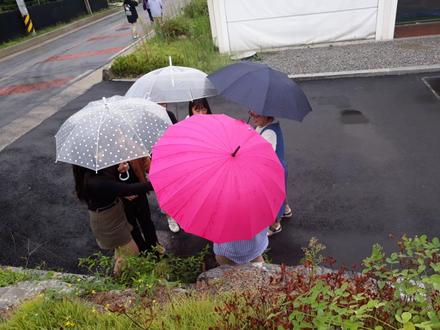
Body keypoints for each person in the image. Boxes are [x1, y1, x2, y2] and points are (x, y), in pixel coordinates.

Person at [72, 164, 154, 275]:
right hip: (109, 223)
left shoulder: (92, 174)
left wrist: (119, 170)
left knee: (121, 251)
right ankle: (119, 277)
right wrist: (157, 183)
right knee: (132, 252)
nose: (102, 154)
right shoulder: (97, 182)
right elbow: (128, 189)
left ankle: (118, 272)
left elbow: (114, 187)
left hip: (113, 216)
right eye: (99, 153)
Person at [249, 111, 292, 236]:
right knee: (280, 192)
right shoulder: (262, 126)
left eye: (256, 115)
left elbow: (265, 155)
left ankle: (275, 225)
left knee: (273, 199)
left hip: (272, 172)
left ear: (267, 115)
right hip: (277, 169)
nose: (253, 118)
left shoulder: (270, 132)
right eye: (251, 114)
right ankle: (286, 210)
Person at [117, 158, 160, 254]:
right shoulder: (104, 153)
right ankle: (142, 251)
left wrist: (157, 172)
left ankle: (154, 249)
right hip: (122, 199)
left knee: (146, 222)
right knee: (131, 226)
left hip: (139, 190)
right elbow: (105, 180)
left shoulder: (133, 145)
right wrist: (121, 193)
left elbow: (146, 161)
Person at [156, 103, 180, 233]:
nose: (161, 106)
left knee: (176, 187)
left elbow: (179, 131)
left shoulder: (169, 115)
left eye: (163, 103)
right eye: (158, 103)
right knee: (163, 190)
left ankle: (177, 212)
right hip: (156, 160)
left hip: (172, 157)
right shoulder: (146, 118)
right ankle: (170, 216)